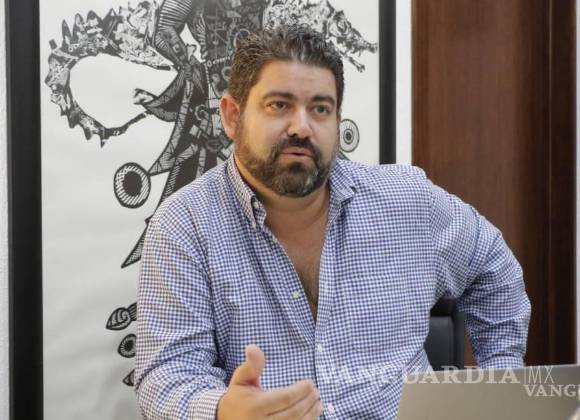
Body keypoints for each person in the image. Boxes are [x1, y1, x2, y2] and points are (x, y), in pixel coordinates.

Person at [134, 25, 531, 419]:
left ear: (337, 119)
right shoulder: (184, 225)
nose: (301, 127)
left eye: (320, 109)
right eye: (279, 105)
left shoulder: (408, 201)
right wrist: (222, 412)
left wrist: (498, 389)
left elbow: (493, 269)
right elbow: (167, 376)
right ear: (232, 116)